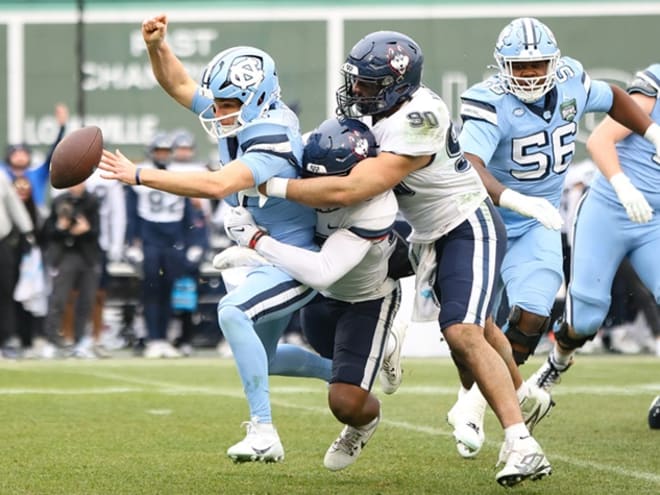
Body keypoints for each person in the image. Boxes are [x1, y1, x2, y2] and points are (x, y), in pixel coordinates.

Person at [259, 30, 551, 486]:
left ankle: (521, 443)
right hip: (418, 233)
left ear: (398, 84)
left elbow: (355, 187)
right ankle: (523, 393)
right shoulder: (371, 115)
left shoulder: (421, 115)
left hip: (463, 224)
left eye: (368, 86)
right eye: (355, 83)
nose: (357, 93)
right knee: (464, 319)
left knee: (463, 331)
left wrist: (270, 186)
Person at [98, 13, 332, 463]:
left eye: (227, 104)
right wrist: (156, 47)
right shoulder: (243, 111)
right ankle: (350, 370)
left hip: (293, 256)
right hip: (263, 247)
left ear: (257, 98)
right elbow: (180, 85)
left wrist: (141, 175)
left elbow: (215, 185)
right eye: (219, 102)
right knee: (263, 356)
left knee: (232, 313)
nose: (217, 111)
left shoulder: (272, 136)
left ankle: (264, 431)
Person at [450, 18, 660, 457]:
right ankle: (468, 399)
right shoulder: (489, 102)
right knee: (467, 326)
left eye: (538, 64)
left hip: (539, 221)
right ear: (503, 66)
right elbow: (469, 165)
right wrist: (515, 199)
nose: (529, 74)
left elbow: (615, 97)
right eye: (520, 67)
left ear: (554, 61)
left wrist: (650, 130)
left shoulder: (570, 82)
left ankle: (478, 405)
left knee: (533, 314)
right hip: (485, 219)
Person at [220, 117, 401, 471]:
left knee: (345, 401)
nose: (318, 188)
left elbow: (323, 270)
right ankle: (363, 365)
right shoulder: (308, 157)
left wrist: (256, 240)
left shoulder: (375, 206)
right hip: (323, 293)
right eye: (313, 176)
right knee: (267, 357)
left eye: (332, 179)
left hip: (364, 294)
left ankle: (364, 416)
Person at [528, 63, 660, 391]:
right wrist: (623, 185)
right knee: (587, 315)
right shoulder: (653, 90)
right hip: (609, 208)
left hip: (654, 222)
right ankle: (556, 361)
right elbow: (601, 139)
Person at [42, 180, 102, 358]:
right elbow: (49, 232)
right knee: (58, 299)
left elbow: (96, 231)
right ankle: (52, 341)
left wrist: (84, 229)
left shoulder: (92, 201)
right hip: (65, 255)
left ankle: (80, 341)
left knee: (86, 301)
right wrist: (64, 229)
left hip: (88, 256)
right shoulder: (59, 200)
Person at [1, 104, 69, 213]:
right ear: (8, 157)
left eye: (23, 153)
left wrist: (62, 128)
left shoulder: (37, 174)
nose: (20, 157)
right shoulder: (2, 173)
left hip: (36, 219)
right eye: (16, 154)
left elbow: (54, 153)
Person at [0, 173, 35, 356]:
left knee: (6, 292)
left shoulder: (0, 177)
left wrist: (27, 231)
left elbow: (14, 204)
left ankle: (6, 339)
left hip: (1, 242)